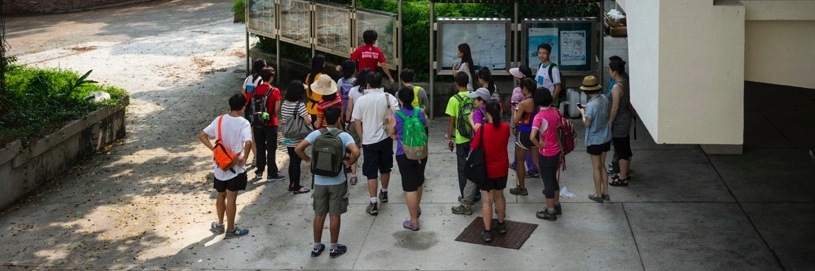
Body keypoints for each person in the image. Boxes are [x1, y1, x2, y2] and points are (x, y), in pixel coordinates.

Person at [295, 106, 360, 258]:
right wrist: (349, 163)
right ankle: (333, 247)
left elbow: (298, 149)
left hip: (319, 181)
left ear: (324, 119)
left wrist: (309, 160)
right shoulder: (344, 136)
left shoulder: (316, 134)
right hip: (337, 181)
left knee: (319, 214)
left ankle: (317, 247)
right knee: (334, 214)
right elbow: (356, 152)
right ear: (339, 119)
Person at [199, 94, 253, 238]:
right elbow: (248, 142)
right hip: (235, 166)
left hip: (219, 166)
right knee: (232, 198)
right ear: (243, 106)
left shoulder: (219, 119)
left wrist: (214, 150)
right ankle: (231, 229)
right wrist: (245, 157)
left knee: (220, 194)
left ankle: (220, 224)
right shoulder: (244, 123)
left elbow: (202, 135)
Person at [351, 72, 399, 216]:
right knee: (385, 168)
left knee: (371, 172)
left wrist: (362, 136)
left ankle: (373, 203)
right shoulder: (388, 97)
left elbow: (357, 121)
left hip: (368, 141)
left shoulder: (361, 100)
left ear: (368, 84)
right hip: (386, 139)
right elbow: (397, 115)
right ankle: (384, 192)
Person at [471, 100, 510, 243]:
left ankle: (487, 231)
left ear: (487, 113)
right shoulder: (506, 128)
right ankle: (501, 224)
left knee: (487, 200)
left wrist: (472, 122)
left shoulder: (482, 130)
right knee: (500, 196)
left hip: (486, 170)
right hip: (502, 168)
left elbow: (474, 146)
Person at [389, 87, 428, 231]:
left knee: (409, 187)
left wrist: (395, 135)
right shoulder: (420, 112)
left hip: (403, 153)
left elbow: (392, 132)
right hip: (421, 153)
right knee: (419, 182)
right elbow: (423, 127)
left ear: (400, 100)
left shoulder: (396, 115)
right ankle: (416, 209)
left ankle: (413, 221)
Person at [577, 75, 612, 202]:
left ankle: (598, 194)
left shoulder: (591, 106)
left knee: (596, 167)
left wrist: (582, 113)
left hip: (594, 140)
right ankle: (605, 192)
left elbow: (587, 123)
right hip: (606, 137)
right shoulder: (604, 98)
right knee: (603, 165)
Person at [530, 87, 562, 221]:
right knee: (553, 179)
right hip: (557, 151)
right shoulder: (556, 111)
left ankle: (550, 212)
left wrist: (540, 145)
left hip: (546, 153)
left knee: (547, 182)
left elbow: (532, 137)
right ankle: (556, 204)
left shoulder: (539, 117)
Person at [447, 71, 476, 215]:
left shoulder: (454, 99)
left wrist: (449, 138)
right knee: (475, 165)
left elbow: (452, 121)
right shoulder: (474, 96)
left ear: (456, 83)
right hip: (474, 137)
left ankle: (465, 199)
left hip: (461, 138)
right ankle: (474, 195)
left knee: (462, 168)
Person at [251, 67, 285, 182]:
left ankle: (259, 171)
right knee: (271, 149)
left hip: (257, 123)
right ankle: (272, 173)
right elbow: (276, 109)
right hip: (271, 123)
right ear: (271, 78)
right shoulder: (274, 91)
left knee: (260, 147)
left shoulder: (255, 90)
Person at [509, 78, 540, 196]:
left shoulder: (523, 103)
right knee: (536, 160)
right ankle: (549, 182)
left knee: (520, 161)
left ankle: (522, 187)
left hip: (524, 133)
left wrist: (516, 111)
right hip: (535, 132)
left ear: (525, 89)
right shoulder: (536, 101)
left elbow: (516, 121)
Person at [280, 81, 312, 194]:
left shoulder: (284, 104)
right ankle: (297, 186)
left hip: (288, 136)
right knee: (296, 162)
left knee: (292, 160)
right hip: (297, 137)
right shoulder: (300, 105)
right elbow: (307, 121)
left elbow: (284, 119)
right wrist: (310, 118)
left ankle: (292, 183)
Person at [344, 68, 372, 185]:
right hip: (368, 122)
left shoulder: (353, 90)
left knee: (354, 149)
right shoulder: (371, 91)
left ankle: (354, 174)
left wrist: (346, 121)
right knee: (369, 148)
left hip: (355, 122)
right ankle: (370, 174)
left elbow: (349, 108)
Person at [607, 60, 633, 187]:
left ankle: (623, 177)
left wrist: (610, 121)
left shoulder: (617, 87)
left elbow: (615, 107)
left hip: (619, 121)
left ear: (615, 71)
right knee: (625, 147)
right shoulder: (625, 82)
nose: (608, 72)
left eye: (609, 69)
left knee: (621, 149)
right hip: (626, 119)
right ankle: (625, 172)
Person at [241, 58, 267, 164]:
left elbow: (243, 92)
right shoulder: (261, 80)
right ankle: (257, 157)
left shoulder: (248, 78)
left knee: (251, 133)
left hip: (248, 109)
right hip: (257, 110)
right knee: (257, 135)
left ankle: (255, 156)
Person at [535, 43, 562, 107]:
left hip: (550, 103)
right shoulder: (540, 66)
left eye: (544, 53)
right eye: (540, 53)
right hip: (541, 102)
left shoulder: (553, 68)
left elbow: (558, 87)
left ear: (549, 54)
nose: (541, 55)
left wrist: (551, 102)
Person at [305, 54, 326, 125]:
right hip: (319, 109)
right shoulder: (321, 77)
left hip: (309, 107)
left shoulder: (308, 76)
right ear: (322, 64)